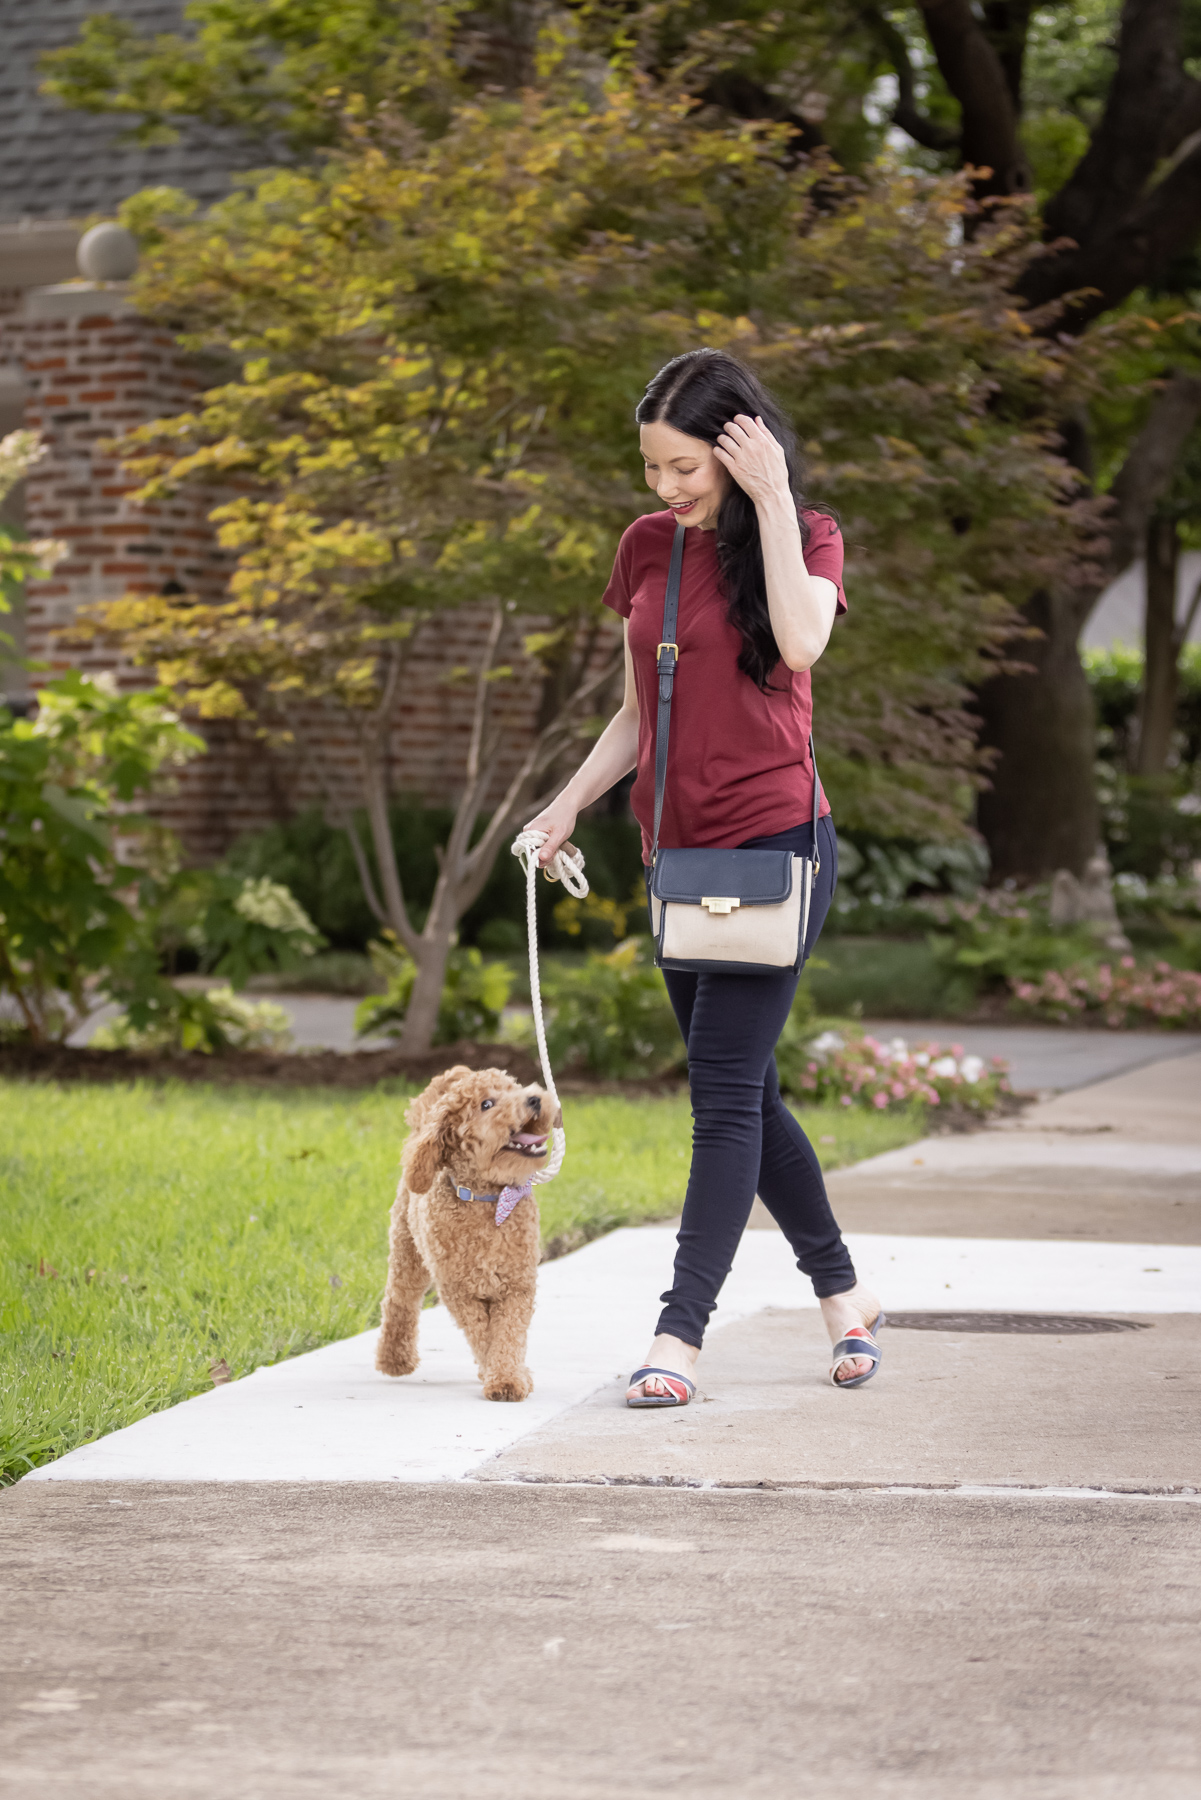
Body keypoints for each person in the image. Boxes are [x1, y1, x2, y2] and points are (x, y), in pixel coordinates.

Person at [523, 348, 883, 1404]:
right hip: (673, 856)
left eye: (686, 466)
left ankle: (677, 1339)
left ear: (737, 447)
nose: (668, 488)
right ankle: (843, 1298)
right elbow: (642, 709)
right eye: (652, 468)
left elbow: (805, 641)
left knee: (721, 1096)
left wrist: (770, 496)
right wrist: (565, 804)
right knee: (750, 1092)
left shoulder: (805, 534)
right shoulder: (646, 549)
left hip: (775, 845)